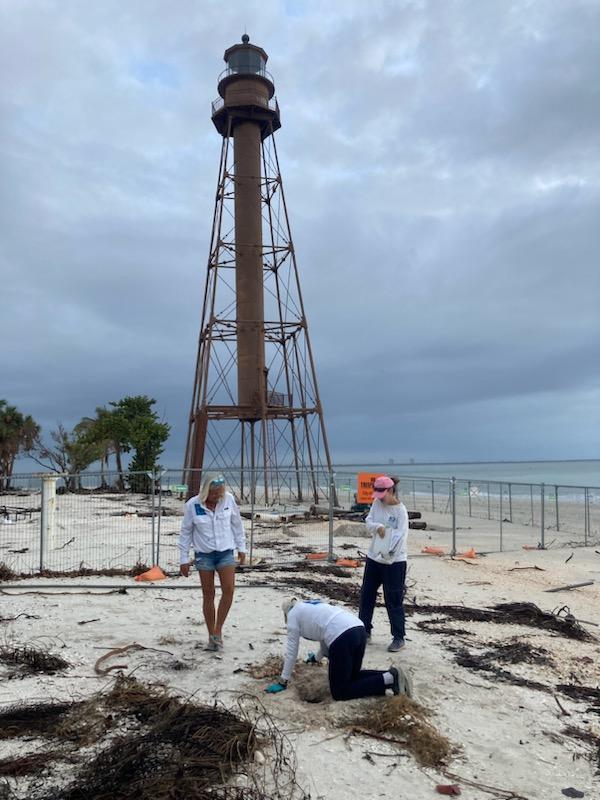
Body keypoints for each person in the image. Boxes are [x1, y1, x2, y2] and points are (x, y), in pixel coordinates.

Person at [265, 598, 412, 700]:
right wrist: (316, 658)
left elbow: (292, 652)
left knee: (340, 692)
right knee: (352, 677)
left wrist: (283, 681)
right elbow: (323, 637)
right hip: (358, 629)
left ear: (286, 612)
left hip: (342, 638)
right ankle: (391, 676)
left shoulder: (292, 617)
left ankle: (391, 679)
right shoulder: (311, 607)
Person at [179, 473, 246, 651]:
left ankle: (218, 630)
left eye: (220, 493)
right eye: (214, 493)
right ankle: (211, 635)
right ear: (206, 490)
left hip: (225, 552)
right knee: (208, 594)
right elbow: (185, 533)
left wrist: (242, 547)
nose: (217, 497)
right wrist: (183, 559)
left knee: (229, 590)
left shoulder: (228, 500)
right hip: (204, 555)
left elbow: (237, 524)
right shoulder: (193, 505)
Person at [358, 474, 409, 652]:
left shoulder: (400, 511)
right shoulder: (377, 503)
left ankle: (398, 637)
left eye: (383, 494)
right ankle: (364, 630)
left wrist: (389, 555)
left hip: (394, 562)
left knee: (393, 598)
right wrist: (377, 527)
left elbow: (400, 536)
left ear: (391, 490)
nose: (380, 499)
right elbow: (369, 521)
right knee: (367, 594)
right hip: (374, 557)